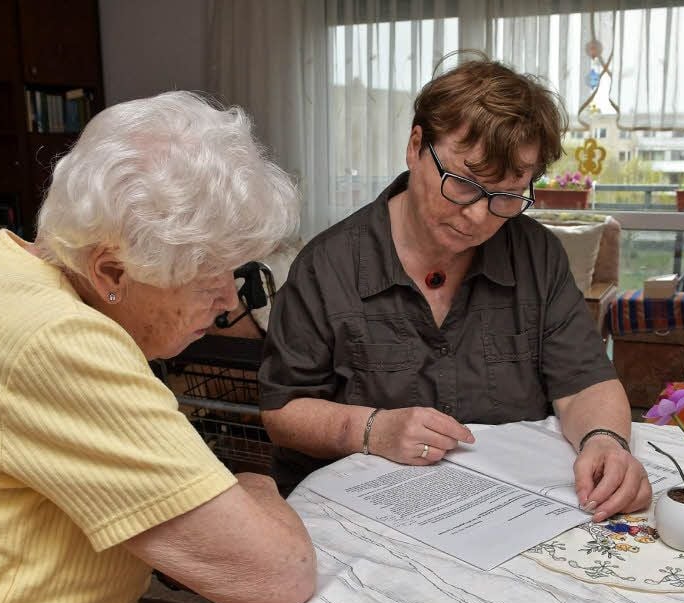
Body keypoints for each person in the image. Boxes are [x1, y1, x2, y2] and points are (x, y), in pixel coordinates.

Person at [0, 92, 316, 603]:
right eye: (208, 277)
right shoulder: (57, 339)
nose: (229, 300)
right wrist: (256, 487)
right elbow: (281, 574)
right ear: (111, 272)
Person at [259, 56, 651, 522]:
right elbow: (283, 411)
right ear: (415, 147)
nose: (480, 216)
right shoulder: (327, 266)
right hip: (363, 513)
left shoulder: (537, 254)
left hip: (504, 508)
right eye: (464, 184)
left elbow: (584, 381)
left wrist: (604, 440)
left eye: (507, 195)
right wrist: (369, 429)